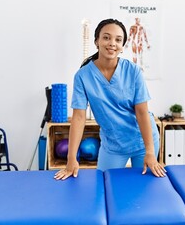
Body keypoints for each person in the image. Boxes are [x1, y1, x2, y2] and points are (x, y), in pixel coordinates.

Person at [54, 18, 166, 180]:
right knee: (105, 185)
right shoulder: (83, 76)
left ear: (122, 46)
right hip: (113, 144)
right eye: (106, 37)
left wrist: (150, 152)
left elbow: (142, 113)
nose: (112, 43)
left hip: (142, 141)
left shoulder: (133, 71)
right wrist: (72, 159)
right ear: (96, 41)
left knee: (143, 190)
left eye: (118, 40)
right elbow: (79, 117)